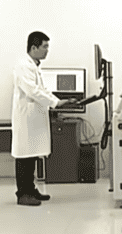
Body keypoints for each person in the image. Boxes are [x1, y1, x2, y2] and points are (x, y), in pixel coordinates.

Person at [11, 31, 76, 206]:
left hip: (33, 119)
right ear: (34, 47)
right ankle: (22, 194)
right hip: (26, 118)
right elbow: (32, 91)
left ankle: (31, 189)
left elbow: (42, 90)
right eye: (45, 46)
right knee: (24, 156)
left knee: (31, 155)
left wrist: (58, 101)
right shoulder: (23, 66)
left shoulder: (34, 66)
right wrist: (55, 103)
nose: (47, 50)